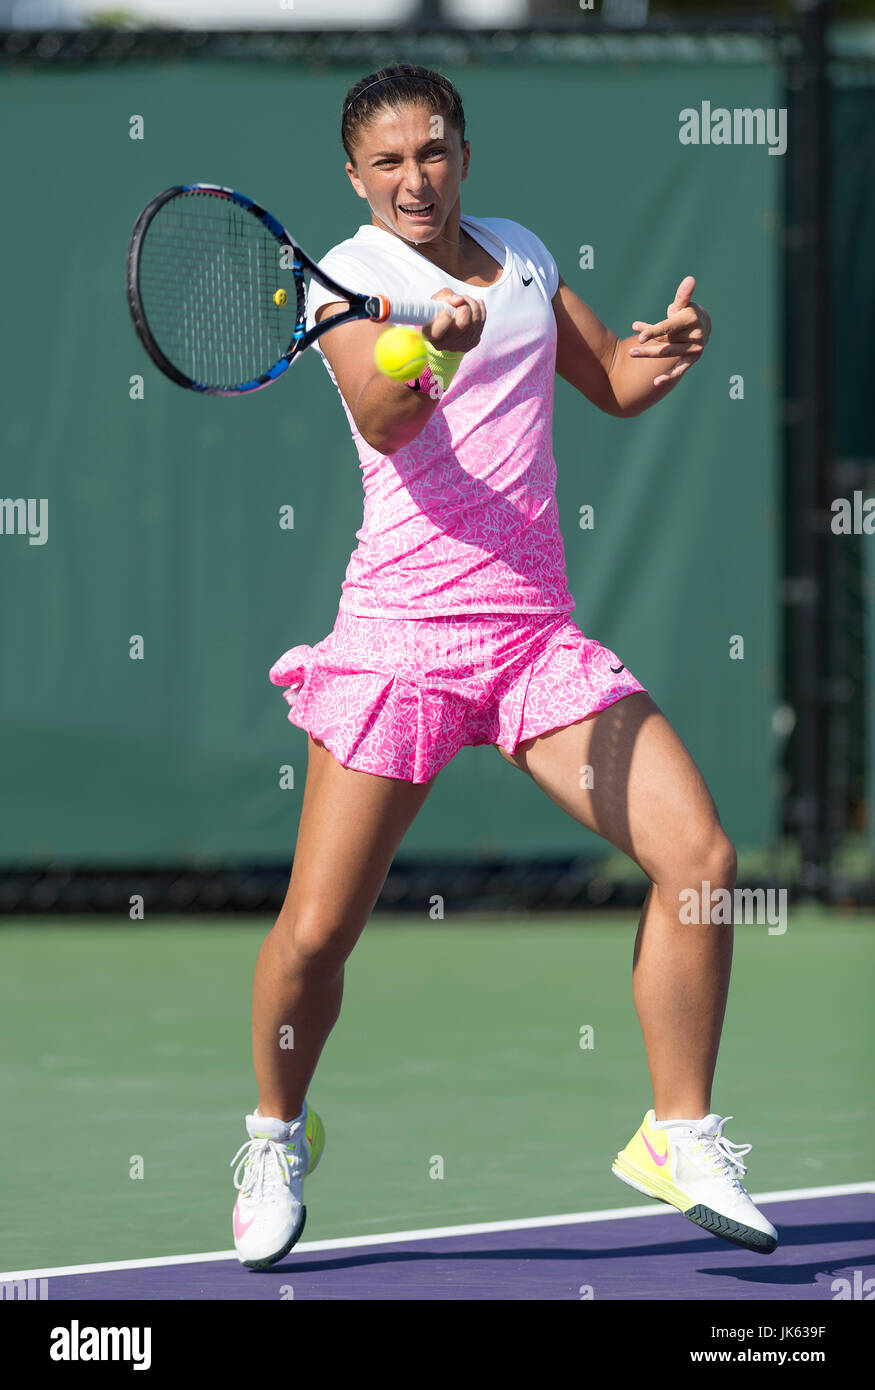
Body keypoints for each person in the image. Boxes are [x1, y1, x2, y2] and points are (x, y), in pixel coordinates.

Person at [230, 63, 778, 1270]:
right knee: (316, 935)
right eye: (386, 162)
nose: (412, 178)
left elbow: (611, 382)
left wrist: (665, 348)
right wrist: (427, 342)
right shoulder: (350, 277)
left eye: (430, 152)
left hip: (533, 636)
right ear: (354, 178)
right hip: (400, 642)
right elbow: (383, 417)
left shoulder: (524, 252)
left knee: (701, 859)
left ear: (462, 153)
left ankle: (677, 1132)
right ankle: (275, 1130)